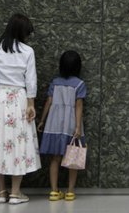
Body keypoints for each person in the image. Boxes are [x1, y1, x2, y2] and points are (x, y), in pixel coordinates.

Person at [0, 13, 41, 205]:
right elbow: (31, 80)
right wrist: (31, 104)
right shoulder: (27, 51)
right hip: (18, 100)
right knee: (17, 145)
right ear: (22, 32)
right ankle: (15, 193)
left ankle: (1, 192)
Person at [37, 50, 86, 202]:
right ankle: (70, 191)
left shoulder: (55, 82)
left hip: (54, 124)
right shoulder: (79, 84)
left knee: (55, 158)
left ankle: (54, 191)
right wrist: (78, 127)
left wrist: (42, 121)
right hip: (71, 124)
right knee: (73, 158)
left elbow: (48, 102)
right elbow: (78, 106)